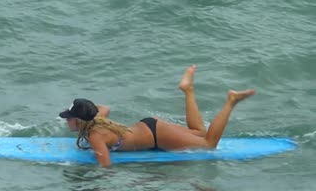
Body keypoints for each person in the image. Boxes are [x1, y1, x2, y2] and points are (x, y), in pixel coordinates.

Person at [58, 65, 256, 167]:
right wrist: (86, 109)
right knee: (199, 132)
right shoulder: (97, 118)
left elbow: (106, 167)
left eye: (70, 117)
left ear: (81, 120)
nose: (67, 120)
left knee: (209, 144)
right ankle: (188, 90)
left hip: (156, 137)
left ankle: (231, 101)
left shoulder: (94, 135)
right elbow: (105, 107)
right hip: (149, 126)